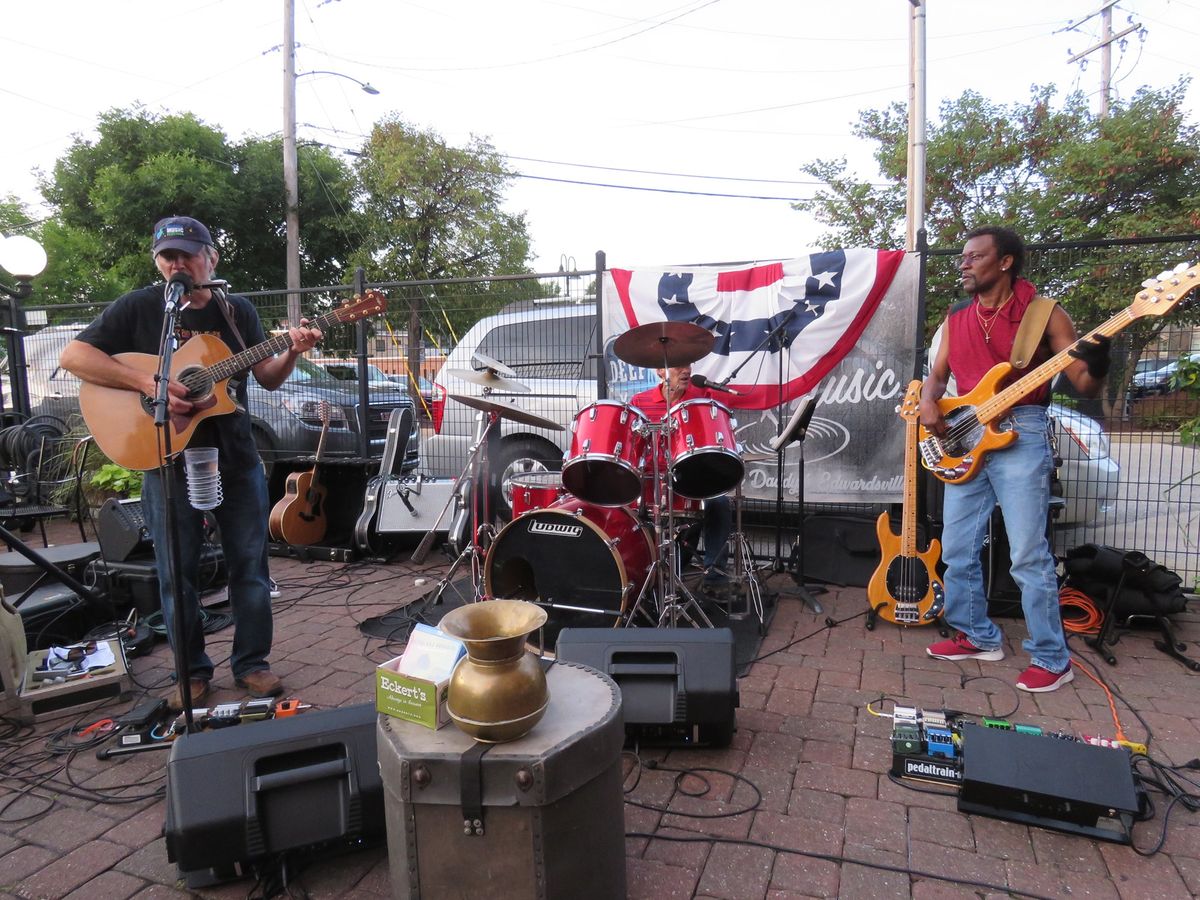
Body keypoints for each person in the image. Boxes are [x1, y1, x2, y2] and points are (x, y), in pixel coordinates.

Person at [59, 215, 324, 710]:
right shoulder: (140, 308)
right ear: (158, 262)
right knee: (175, 571)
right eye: (168, 256)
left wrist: (291, 351)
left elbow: (265, 377)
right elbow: (74, 357)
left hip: (235, 457)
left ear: (211, 258)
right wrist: (148, 383)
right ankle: (192, 672)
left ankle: (252, 665)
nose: (177, 263)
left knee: (250, 566)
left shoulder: (236, 311)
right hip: (166, 459)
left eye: (187, 254)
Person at [921, 225, 1110, 693]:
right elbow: (938, 376)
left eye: (974, 256)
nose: (963, 263)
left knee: (1027, 554)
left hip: (1022, 431)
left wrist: (1099, 359)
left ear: (1004, 262)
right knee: (958, 547)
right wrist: (929, 401)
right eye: (962, 257)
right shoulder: (956, 317)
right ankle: (977, 635)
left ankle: (1051, 657)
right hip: (965, 436)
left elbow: (1085, 385)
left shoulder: (1044, 313)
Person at [629, 364, 734, 592]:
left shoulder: (700, 399)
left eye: (687, 366)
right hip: (652, 479)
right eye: (678, 367)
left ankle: (715, 577)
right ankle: (646, 572)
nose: (685, 371)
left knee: (719, 503)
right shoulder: (639, 402)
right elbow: (633, 449)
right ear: (659, 370)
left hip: (691, 475)